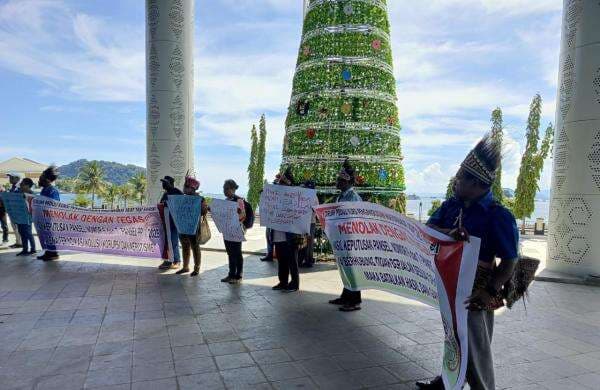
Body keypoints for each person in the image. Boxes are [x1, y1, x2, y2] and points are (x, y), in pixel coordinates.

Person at [416, 135, 519, 390]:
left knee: (475, 346)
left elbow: (510, 261)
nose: (455, 181)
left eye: (460, 177)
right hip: (449, 284)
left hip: (478, 291)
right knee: (453, 338)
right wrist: (447, 234)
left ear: (475, 183)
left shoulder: (498, 216)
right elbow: (429, 230)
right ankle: (449, 380)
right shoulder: (452, 206)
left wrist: (489, 292)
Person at [328, 160, 363, 312]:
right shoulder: (342, 196)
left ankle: (354, 300)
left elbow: (354, 218)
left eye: (339, 180)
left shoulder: (353, 197)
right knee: (345, 268)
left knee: (352, 269)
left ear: (345, 181)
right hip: (342, 238)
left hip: (351, 239)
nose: (337, 182)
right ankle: (346, 295)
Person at [271, 168, 302, 293]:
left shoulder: (295, 198)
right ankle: (282, 282)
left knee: (292, 262)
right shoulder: (275, 197)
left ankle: (294, 284)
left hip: (290, 236)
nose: (280, 185)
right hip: (278, 235)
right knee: (281, 260)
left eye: (283, 183)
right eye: (280, 183)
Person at [175, 175, 208, 276]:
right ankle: (185, 267)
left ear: (192, 188)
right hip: (183, 226)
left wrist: (201, 207)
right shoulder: (182, 198)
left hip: (194, 227)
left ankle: (197, 268)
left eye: (186, 186)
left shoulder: (200, 199)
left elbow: (203, 212)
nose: (184, 188)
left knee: (195, 246)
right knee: (185, 246)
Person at [221, 179, 246, 284]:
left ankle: (238, 275)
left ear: (232, 189)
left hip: (236, 231)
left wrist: (236, 217)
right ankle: (231, 274)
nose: (224, 191)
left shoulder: (239, 201)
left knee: (237, 253)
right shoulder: (226, 201)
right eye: (223, 188)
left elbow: (243, 216)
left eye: (226, 188)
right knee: (230, 253)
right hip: (227, 231)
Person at [157, 176, 183, 271]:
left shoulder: (177, 192)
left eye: (165, 182)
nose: (163, 184)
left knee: (173, 241)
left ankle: (177, 260)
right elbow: (161, 205)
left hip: (174, 223)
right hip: (165, 222)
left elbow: (183, 205)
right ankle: (168, 260)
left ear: (171, 183)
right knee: (166, 242)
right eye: (163, 182)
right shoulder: (165, 194)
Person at [37, 166, 61, 261]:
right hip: (43, 218)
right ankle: (48, 252)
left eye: (41, 176)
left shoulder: (52, 191)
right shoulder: (44, 190)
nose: (39, 179)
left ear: (46, 179)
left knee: (50, 235)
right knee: (46, 235)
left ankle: (53, 253)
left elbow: (55, 205)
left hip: (50, 219)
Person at [298, 180, 316, 268]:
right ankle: (301, 259)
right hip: (303, 222)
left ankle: (308, 261)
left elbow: (314, 209)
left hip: (310, 223)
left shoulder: (314, 197)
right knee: (302, 242)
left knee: (309, 242)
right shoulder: (304, 196)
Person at [16, 178, 36, 256]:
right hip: (20, 216)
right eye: (20, 184)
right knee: (21, 233)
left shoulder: (31, 194)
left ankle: (33, 249)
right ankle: (25, 249)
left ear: (27, 186)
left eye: (22, 184)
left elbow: (32, 207)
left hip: (27, 217)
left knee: (28, 233)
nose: (20, 185)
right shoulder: (19, 193)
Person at [7, 172, 23, 248]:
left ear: (17, 178)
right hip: (12, 211)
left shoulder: (20, 187)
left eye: (11, 177)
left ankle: (21, 243)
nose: (10, 179)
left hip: (18, 212)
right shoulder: (12, 187)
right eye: (9, 177)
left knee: (19, 228)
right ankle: (18, 242)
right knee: (15, 227)